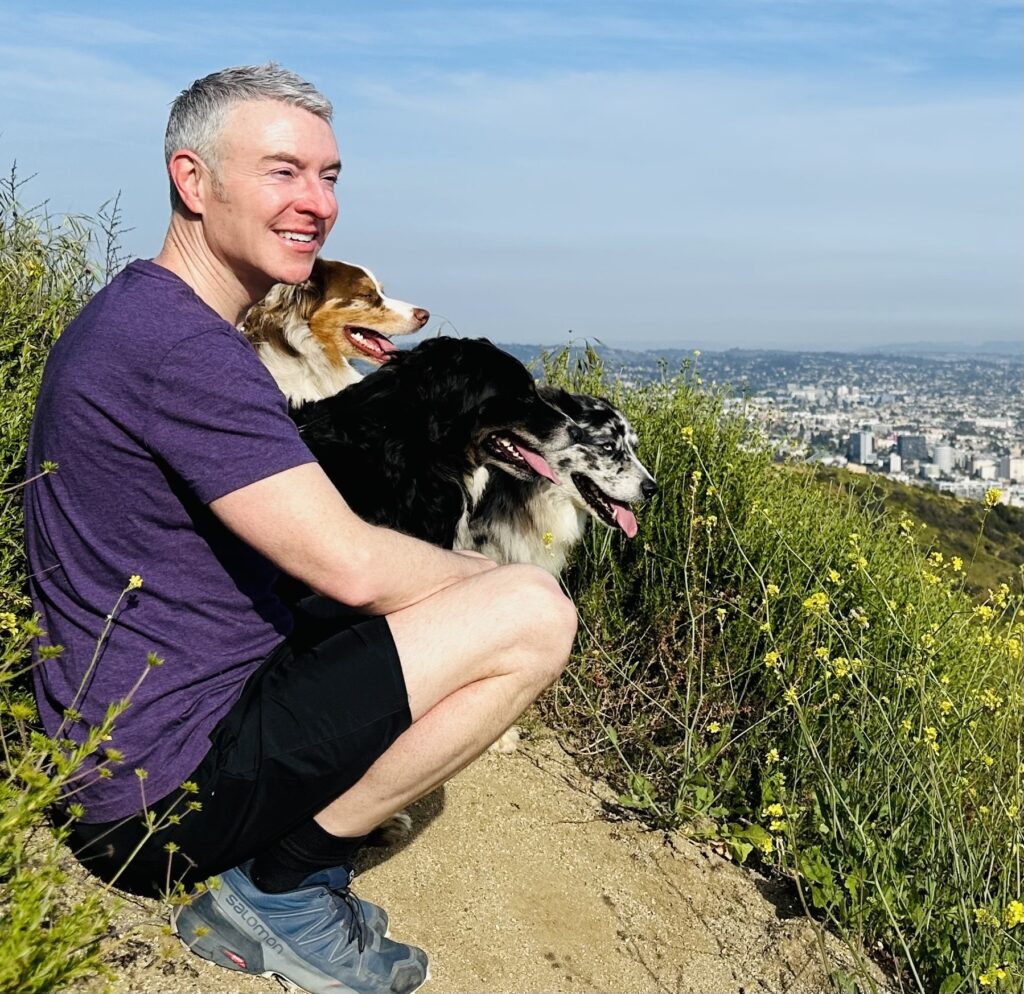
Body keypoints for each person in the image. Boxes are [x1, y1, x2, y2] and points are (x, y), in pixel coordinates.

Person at [23, 63, 577, 994]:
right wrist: (497, 595)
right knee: (535, 616)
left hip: (136, 740)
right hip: (160, 793)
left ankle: (290, 860)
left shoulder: (140, 312)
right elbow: (353, 565)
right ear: (192, 181)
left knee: (435, 606)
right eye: (284, 172)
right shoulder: (185, 352)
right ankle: (277, 890)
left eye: (329, 177)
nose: (316, 203)